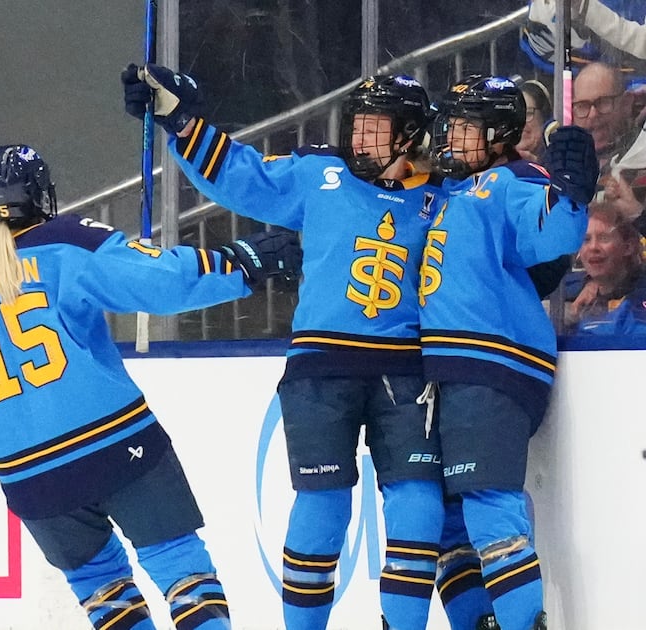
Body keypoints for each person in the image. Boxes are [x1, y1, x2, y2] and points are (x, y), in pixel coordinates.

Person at [0, 144, 301, 630]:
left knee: (104, 590)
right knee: (180, 567)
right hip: (117, 444)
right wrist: (243, 262)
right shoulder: (67, 242)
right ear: (38, 193)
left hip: (30, 476)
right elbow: (159, 280)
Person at [125, 67, 447, 630]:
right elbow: (242, 176)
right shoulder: (320, 174)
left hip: (406, 370)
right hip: (320, 368)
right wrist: (181, 121)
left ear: (410, 134)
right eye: (358, 125)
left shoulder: (443, 197)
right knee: (323, 503)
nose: (360, 139)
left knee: (418, 504)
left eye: (375, 128)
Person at [419, 74, 598, 630]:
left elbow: (555, 234)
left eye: (464, 127)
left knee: (488, 509)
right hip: (444, 371)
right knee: (444, 526)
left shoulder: (510, 178)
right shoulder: (447, 190)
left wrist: (570, 190)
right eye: (449, 125)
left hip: (489, 363)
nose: (450, 137)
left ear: (498, 134)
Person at [564, 202, 645, 331]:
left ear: (628, 247)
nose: (593, 247)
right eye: (586, 239)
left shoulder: (639, 300)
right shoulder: (567, 293)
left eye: (603, 238)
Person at [572, 61, 637, 173]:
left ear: (626, 103)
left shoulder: (640, 158)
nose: (592, 115)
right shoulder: (563, 164)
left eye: (602, 102)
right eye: (583, 105)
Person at [516, 79, 553, 163]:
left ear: (544, 116)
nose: (521, 121)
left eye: (528, 113)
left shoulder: (556, 160)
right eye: (516, 115)